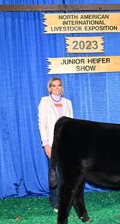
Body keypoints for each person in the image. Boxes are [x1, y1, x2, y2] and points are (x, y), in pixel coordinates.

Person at [38, 77, 73, 212]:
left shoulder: (67, 103)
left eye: (59, 85)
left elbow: (71, 124)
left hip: (66, 143)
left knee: (65, 172)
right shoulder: (45, 101)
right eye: (54, 86)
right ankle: (56, 201)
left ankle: (60, 198)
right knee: (55, 172)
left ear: (62, 87)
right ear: (50, 88)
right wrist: (46, 144)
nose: (57, 88)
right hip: (52, 143)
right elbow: (42, 124)